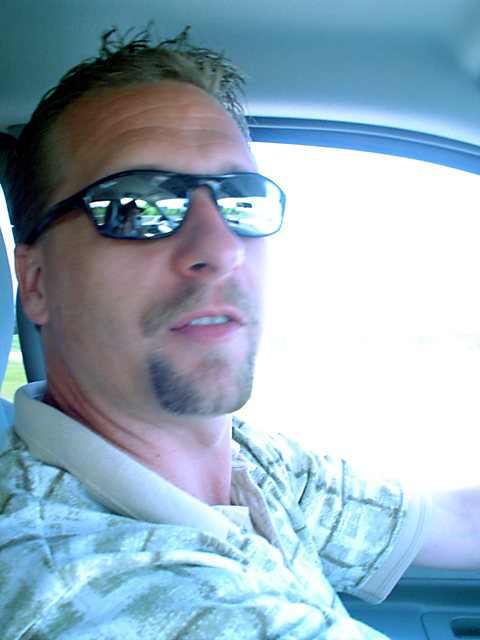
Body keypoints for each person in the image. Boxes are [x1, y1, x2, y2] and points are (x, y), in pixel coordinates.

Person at [0, 28, 479, 639]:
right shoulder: (84, 597)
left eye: (240, 200)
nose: (222, 248)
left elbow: (456, 521)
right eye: (136, 205)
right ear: (37, 283)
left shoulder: (254, 462)